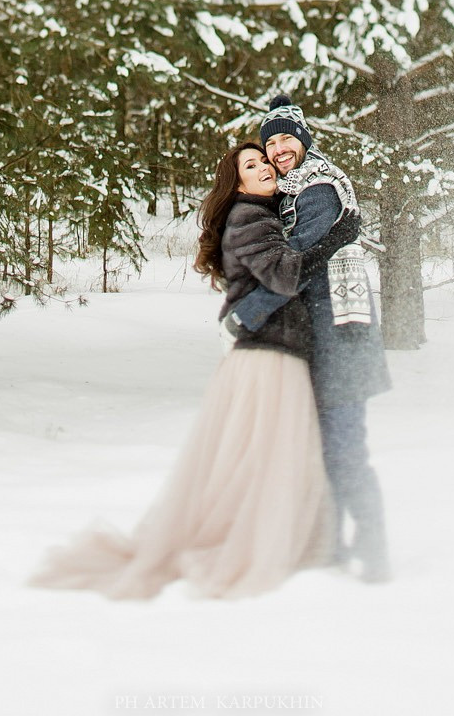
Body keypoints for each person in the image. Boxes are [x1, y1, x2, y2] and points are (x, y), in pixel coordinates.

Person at [30, 140, 360, 599]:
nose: (264, 167)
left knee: (262, 457)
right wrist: (337, 236)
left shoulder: (262, 216)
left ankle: (272, 545)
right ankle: (251, 550)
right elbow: (285, 276)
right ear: (237, 183)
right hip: (266, 356)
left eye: (264, 161)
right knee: (265, 457)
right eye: (251, 165)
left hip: (273, 351)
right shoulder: (250, 218)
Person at [225, 94, 392, 583]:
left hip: (343, 339)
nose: (278, 149)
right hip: (318, 340)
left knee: (344, 451)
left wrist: (248, 314)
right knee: (322, 452)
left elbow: (293, 266)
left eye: (286, 139)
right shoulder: (290, 192)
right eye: (270, 142)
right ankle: (330, 547)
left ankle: (373, 552)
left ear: (303, 140)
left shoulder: (318, 190)